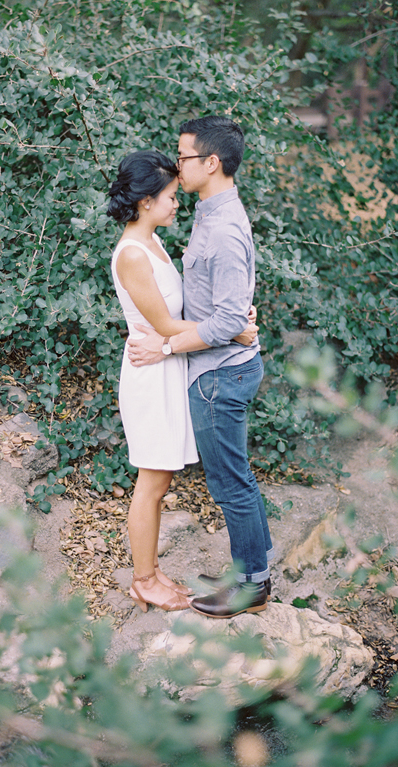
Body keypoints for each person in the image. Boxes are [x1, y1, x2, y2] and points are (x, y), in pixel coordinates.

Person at [127, 117, 275, 619]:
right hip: (218, 366)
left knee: (231, 483)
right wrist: (235, 320)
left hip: (220, 375)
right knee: (235, 478)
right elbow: (224, 307)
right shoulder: (209, 214)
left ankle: (252, 583)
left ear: (211, 163)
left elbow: (230, 314)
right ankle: (249, 571)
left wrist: (172, 349)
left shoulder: (225, 226)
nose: (178, 165)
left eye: (184, 156)